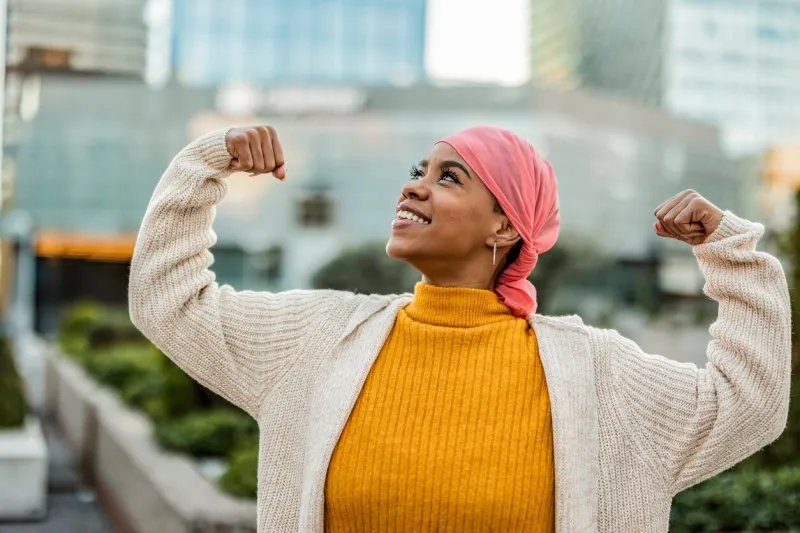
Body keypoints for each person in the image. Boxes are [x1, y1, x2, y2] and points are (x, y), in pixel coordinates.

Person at [129, 125, 791, 533]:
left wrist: (730, 252)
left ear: (506, 228)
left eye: (449, 177)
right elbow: (169, 299)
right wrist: (205, 164)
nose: (413, 187)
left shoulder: (600, 376)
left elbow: (750, 401)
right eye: (417, 171)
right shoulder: (317, 337)